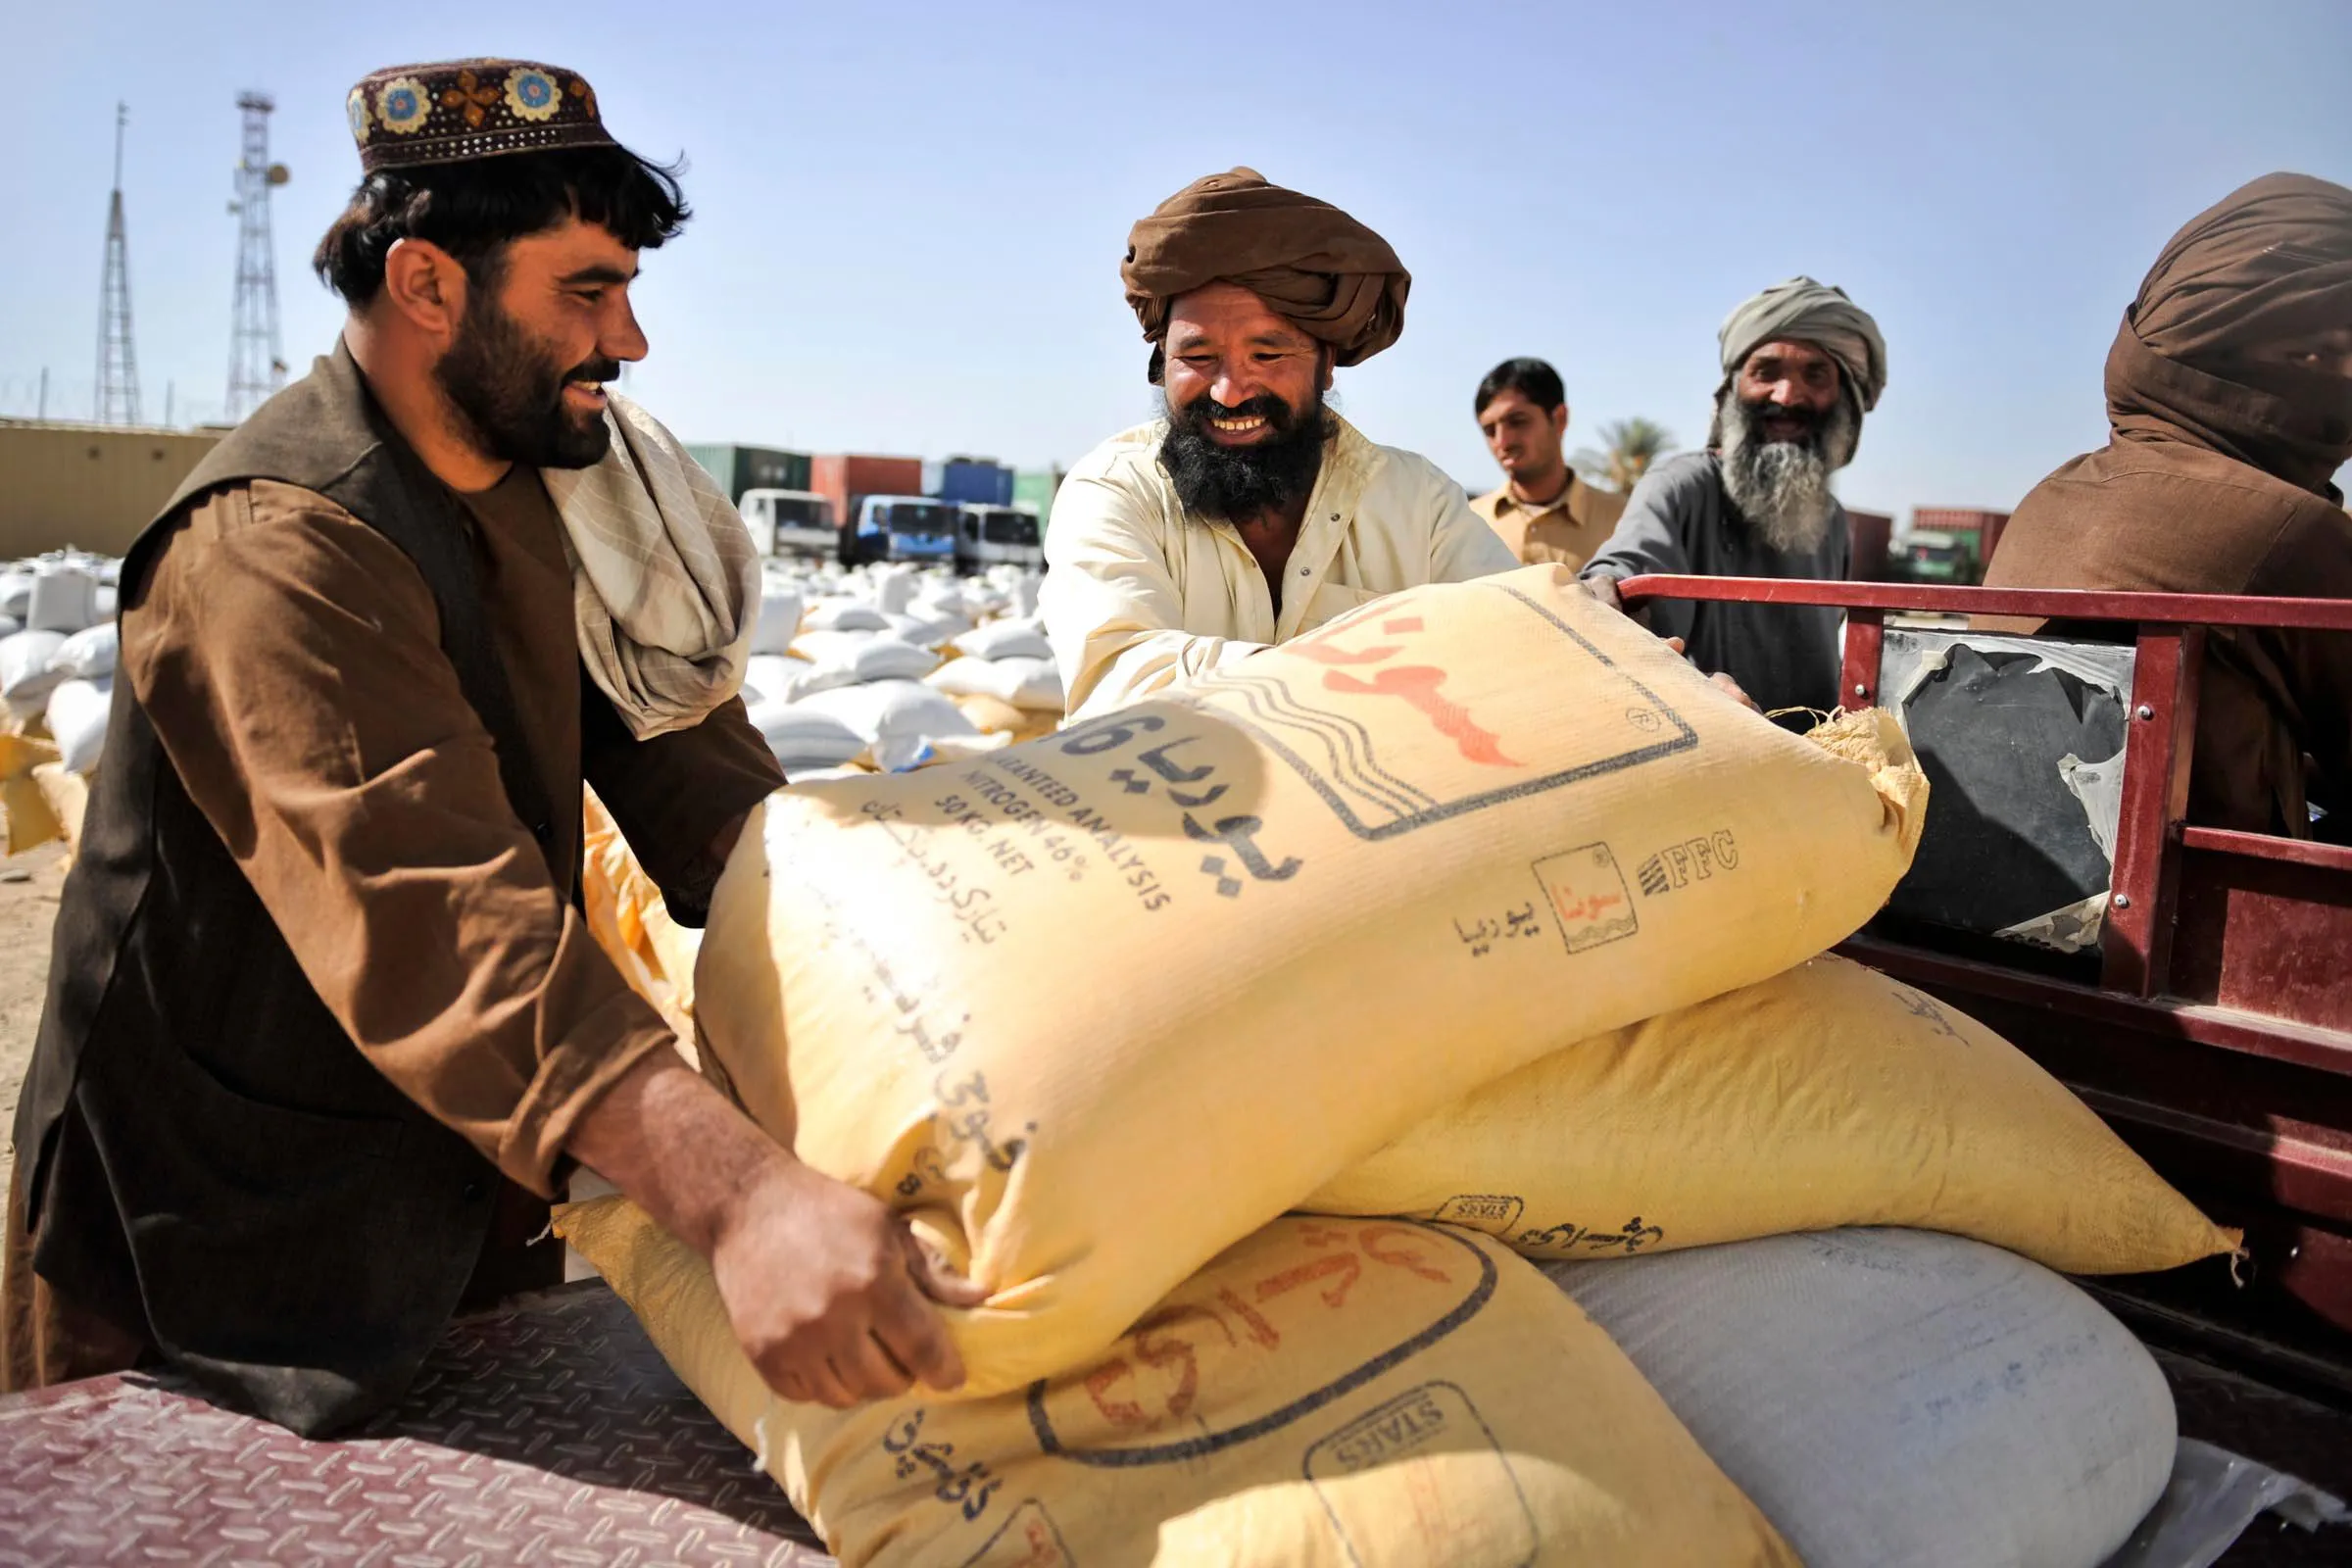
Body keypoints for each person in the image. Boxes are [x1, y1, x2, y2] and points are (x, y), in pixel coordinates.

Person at [2, 60, 978, 1436]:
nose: (629, 341)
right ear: (426, 287)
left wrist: (924, 945)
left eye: (629, 292)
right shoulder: (272, 549)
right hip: (216, 1253)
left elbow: (685, 766)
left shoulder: (563, 494)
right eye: (586, 291)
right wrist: (744, 1197)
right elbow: (444, 918)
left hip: (457, 1195)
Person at [1042, 168, 1519, 720]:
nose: (1229, 390)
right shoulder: (1114, 491)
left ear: (1326, 365)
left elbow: (1516, 639)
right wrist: (1375, 682)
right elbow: (1122, 680)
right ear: (1162, 363)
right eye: (1197, 359)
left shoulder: (1418, 503)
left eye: (1267, 356)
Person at [1982, 173, 2352, 841]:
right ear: (2210, 348)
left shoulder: (2052, 493)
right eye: (2314, 353)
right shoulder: (2297, 531)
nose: (2341, 384)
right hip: (2205, 928)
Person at [1580, 277, 1888, 718]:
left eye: (1815, 375)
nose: (1787, 395)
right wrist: (1601, 592)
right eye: (1767, 372)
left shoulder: (1834, 521)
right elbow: (1626, 572)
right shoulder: (1681, 485)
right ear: (1733, 389)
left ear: (1846, 399)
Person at [1469, 357, 1628, 568]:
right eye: (1490, 431)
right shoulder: (1467, 524)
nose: (1502, 442)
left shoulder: (1623, 522)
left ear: (1560, 419)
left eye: (1517, 422)